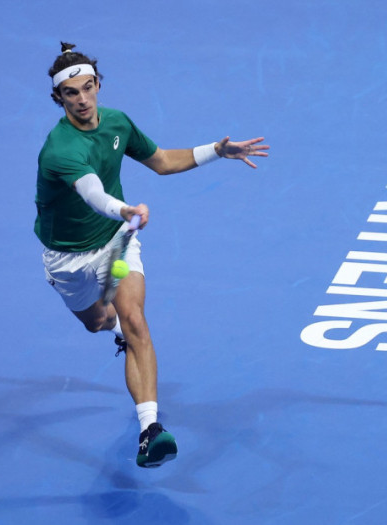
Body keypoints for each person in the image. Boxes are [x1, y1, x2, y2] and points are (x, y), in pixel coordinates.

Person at [34, 42, 269, 468]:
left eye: (88, 88)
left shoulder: (117, 122)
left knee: (135, 321)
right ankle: (115, 328)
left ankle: (150, 431)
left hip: (116, 239)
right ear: (58, 97)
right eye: (71, 93)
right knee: (98, 321)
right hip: (68, 258)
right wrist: (125, 209)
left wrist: (216, 151)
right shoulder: (60, 149)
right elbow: (92, 193)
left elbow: (161, 161)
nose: (82, 99)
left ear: (98, 85)